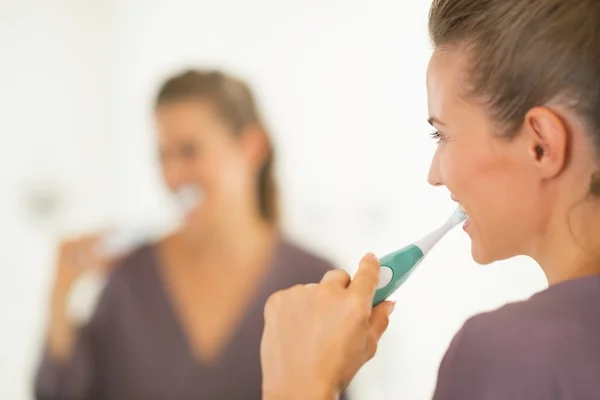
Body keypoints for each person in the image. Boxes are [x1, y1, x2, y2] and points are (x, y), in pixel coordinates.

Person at [260, 0, 600, 399]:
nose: (434, 175)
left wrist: (298, 383)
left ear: (540, 145)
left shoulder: (506, 357)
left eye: (442, 135)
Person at [35, 69, 348, 400]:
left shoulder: (315, 279)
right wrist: (60, 294)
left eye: (188, 151)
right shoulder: (130, 278)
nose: (171, 175)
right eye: (162, 156)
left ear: (252, 146)